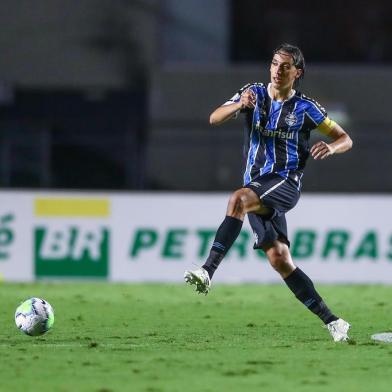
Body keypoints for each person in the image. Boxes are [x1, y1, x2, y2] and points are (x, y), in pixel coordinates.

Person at [184, 43, 353, 342]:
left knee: (237, 199)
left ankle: (208, 270)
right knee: (279, 259)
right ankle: (334, 322)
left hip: (285, 183)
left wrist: (331, 146)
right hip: (258, 185)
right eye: (274, 63)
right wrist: (239, 105)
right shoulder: (254, 94)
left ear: (296, 72)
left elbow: (345, 138)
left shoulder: (306, 108)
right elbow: (214, 118)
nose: (277, 70)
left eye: (285, 66)